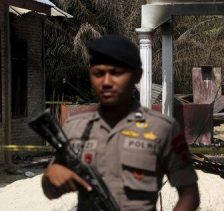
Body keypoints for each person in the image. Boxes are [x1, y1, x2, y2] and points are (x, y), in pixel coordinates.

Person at [41, 35, 200, 211]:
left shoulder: (163, 128)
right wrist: (50, 176)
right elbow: (50, 191)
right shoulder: (75, 127)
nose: (106, 82)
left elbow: (189, 195)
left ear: (137, 75)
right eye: (98, 73)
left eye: (116, 73)